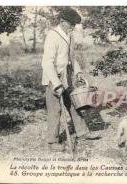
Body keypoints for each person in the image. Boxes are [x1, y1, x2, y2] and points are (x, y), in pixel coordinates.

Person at [41, 7, 98, 151]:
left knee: (73, 104)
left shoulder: (69, 35)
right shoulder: (52, 35)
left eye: (74, 25)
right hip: (53, 76)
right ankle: (52, 142)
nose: (73, 27)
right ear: (62, 21)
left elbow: (71, 58)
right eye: (71, 24)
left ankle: (82, 132)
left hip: (67, 74)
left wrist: (78, 72)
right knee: (55, 109)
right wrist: (56, 84)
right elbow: (47, 62)